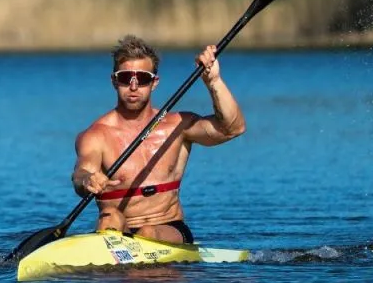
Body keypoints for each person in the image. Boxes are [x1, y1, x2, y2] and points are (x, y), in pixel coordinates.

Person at [71, 34, 246, 244]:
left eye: (142, 78)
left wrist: (213, 81)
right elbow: (81, 173)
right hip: (119, 228)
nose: (134, 87)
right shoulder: (96, 135)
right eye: (126, 78)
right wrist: (87, 180)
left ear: (154, 83)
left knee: (147, 232)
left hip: (169, 228)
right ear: (114, 81)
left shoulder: (177, 126)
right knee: (110, 219)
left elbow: (233, 128)